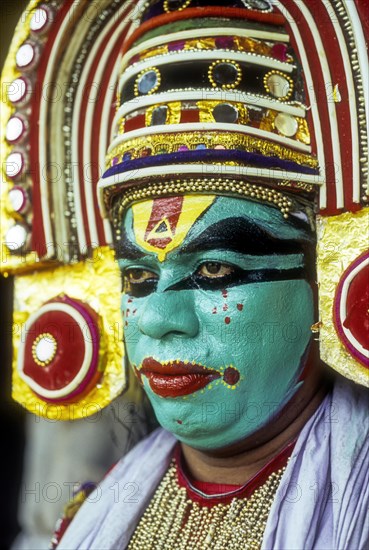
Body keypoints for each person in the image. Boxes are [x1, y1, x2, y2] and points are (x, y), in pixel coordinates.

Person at [1, 1, 368, 549]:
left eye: (215, 269)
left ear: (326, 280)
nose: (157, 319)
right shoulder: (89, 518)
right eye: (138, 278)